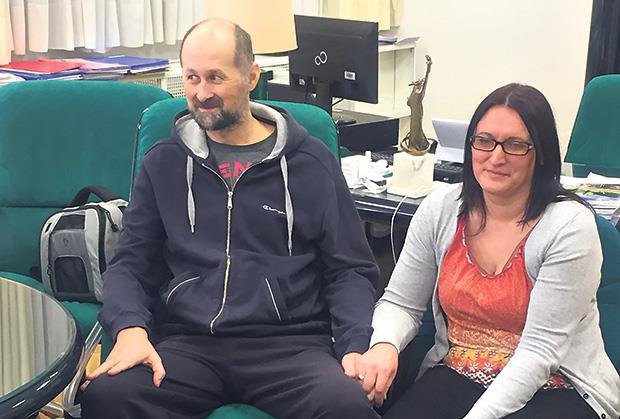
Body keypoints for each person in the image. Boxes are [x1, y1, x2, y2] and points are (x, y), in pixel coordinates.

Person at [80, 18, 380, 419]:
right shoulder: (164, 162)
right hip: (188, 342)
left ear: (251, 76)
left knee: (347, 407)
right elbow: (130, 264)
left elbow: (350, 269)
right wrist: (130, 329)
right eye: (192, 78)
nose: (202, 93)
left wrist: (354, 345)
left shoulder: (311, 163)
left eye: (215, 77)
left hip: (290, 346)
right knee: (108, 396)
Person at [355, 83, 620, 418]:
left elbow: (540, 351)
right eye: (484, 141)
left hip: (556, 383)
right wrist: (384, 345)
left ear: (541, 154)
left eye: (515, 145)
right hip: (459, 371)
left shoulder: (569, 226)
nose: (496, 157)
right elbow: (401, 303)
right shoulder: (441, 208)